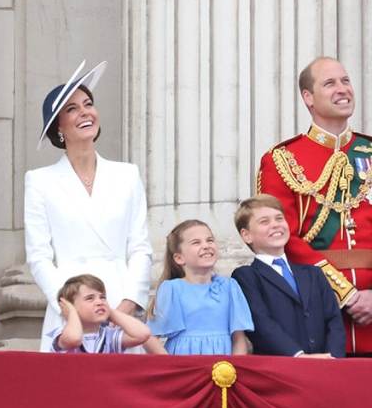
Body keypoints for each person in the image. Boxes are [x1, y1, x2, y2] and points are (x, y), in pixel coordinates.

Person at [24, 60, 162, 353]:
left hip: (119, 306)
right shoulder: (39, 181)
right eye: (72, 108)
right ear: (58, 127)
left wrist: (127, 303)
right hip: (69, 307)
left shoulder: (127, 174)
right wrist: (68, 304)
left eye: (88, 103)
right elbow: (39, 256)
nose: (85, 112)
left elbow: (139, 248)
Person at [258, 56, 372, 355]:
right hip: (317, 312)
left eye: (345, 81)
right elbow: (280, 238)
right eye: (330, 83)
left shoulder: (369, 152)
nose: (342, 89)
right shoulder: (282, 160)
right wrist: (345, 293)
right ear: (308, 97)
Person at [231, 195, 344, 358]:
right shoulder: (247, 276)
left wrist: (333, 358)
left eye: (279, 218)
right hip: (280, 368)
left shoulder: (313, 273)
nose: (275, 225)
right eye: (264, 221)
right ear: (246, 235)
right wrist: (299, 356)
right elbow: (262, 323)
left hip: (326, 365)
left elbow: (333, 320)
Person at [148, 219, 253, 355]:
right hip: (184, 365)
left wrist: (234, 370)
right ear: (179, 258)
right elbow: (151, 338)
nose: (206, 245)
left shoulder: (230, 287)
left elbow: (239, 339)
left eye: (210, 240)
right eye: (196, 242)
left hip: (223, 368)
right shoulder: (172, 289)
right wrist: (171, 366)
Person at [52, 274, 151, 353]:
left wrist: (110, 312)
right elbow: (74, 339)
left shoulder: (110, 336)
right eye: (90, 298)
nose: (99, 302)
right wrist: (72, 313)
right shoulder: (62, 334)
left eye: (103, 297)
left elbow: (143, 334)